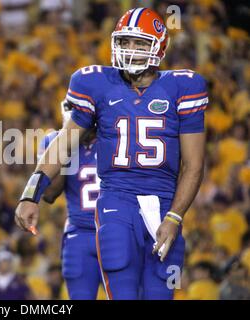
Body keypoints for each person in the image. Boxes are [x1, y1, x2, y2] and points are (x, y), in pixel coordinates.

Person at [15, 7, 208, 300]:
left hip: (164, 203)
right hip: (116, 200)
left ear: (159, 45)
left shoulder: (184, 86)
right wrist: (30, 194)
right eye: (126, 41)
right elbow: (64, 143)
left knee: (161, 292)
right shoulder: (93, 82)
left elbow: (194, 165)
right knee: (121, 280)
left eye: (140, 43)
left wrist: (175, 217)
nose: (130, 50)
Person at [36, 100, 101, 299]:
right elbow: (49, 194)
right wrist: (67, 146)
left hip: (117, 229)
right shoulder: (53, 141)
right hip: (79, 233)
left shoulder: (114, 138)